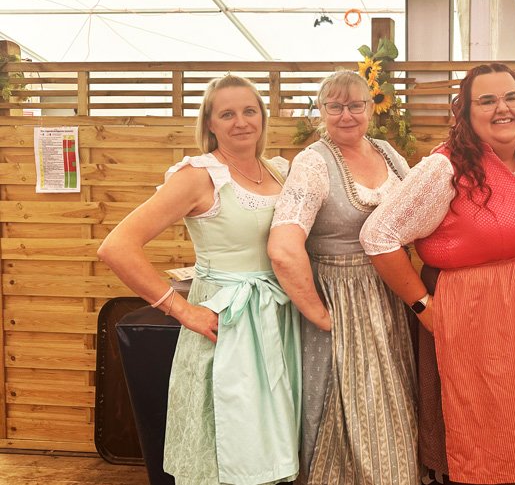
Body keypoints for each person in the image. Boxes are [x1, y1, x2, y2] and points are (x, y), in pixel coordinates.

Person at [360, 63, 515, 485]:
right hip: (473, 315)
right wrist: (423, 305)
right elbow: (378, 234)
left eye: (511, 97)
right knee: (481, 435)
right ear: (466, 113)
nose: (502, 109)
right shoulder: (444, 168)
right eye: (486, 101)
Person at [97, 74, 302, 485]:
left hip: (279, 318)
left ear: (263, 116)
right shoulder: (198, 176)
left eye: (249, 111)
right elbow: (116, 246)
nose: (241, 122)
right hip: (227, 324)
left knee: (275, 446)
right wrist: (181, 309)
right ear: (210, 123)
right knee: (228, 448)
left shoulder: (281, 171)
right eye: (227, 114)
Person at [267, 70, 418, 485]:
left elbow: (417, 211)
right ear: (321, 111)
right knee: (347, 398)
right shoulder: (313, 163)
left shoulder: (387, 152)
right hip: (340, 295)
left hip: (389, 291)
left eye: (355, 105)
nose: (346, 114)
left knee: (394, 395)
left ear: (371, 109)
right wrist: (318, 313)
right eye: (335, 106)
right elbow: (283, 247)